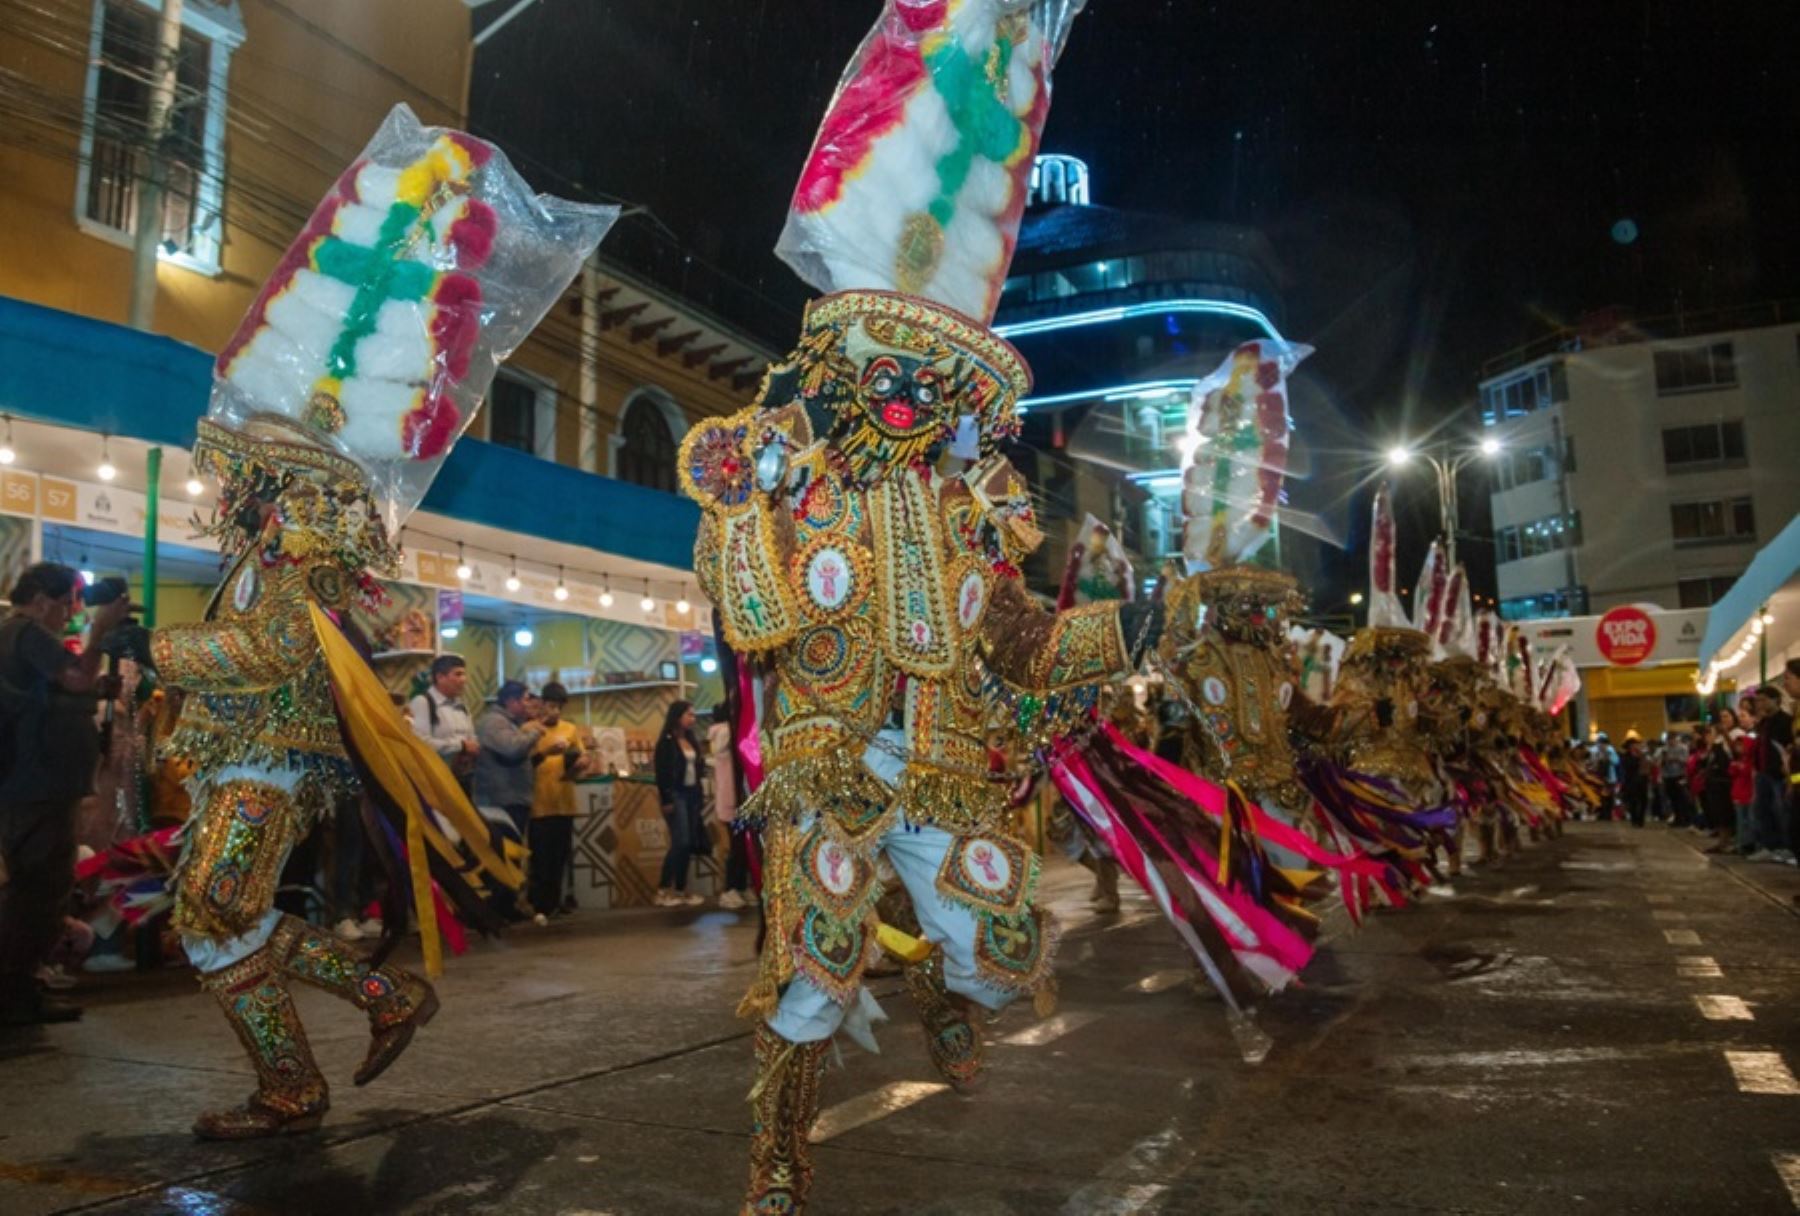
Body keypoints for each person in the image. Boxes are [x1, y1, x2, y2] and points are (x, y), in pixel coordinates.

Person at [0, 563, 129, 1025]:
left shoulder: (18, 639)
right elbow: (73, 677)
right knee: (38, 892)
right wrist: (99, 633)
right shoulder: (25, 633)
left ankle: (23, 988)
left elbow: (62, 692)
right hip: (36, 787)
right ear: (40, 600)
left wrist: (94, 690)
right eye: (67, 602)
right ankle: (14, 995)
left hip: (37, 785)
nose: (71, 613)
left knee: (42, 891)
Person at [476, 680, 546, 916]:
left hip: (513, 797)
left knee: (512, 854)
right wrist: (535, 732)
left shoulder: (510, 723)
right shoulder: (494, 722)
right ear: (512, 701)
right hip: (500, 800)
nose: (529, 705)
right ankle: (497, 908)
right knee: (502, 854)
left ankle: (508, 904)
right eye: (526, 699)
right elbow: (511, 749)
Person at [528, 683, 583, 925]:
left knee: (560, 855)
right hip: (538, 801)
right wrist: (547, 750)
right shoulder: (531, 730)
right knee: (541, 856)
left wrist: (581, 763)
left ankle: (556, 901)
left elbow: (580, 755)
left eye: (559, 707)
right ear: (541, 704)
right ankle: (539, 905)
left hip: (564, 799)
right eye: (551, 706)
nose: (555, 712)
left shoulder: (570, 729)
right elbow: (524, 762)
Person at [653, 700, 705, 908]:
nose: (693, 719)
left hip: (692, 793)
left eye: (693, 715)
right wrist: (666, 798)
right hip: (676, 794)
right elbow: (662, 773)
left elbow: (698, 767)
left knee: (689, 841)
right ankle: (663, 888)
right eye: (689, 715)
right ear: (677, 716)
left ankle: (681, 889)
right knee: (680, 841)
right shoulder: (666, 742)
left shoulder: (691, 739)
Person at [410, 655, 479, 796]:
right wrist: (461, 746)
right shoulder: (423, 702)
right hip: (435, 781)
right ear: (440, 677)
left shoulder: (462, 706)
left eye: (464, 674)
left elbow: (471, 738)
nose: (464, 680)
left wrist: (472, 748)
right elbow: (419, 742)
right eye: (458, 674)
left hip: (463, 778)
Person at [709, 705, 753, 910]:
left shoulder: (727, 732)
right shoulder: (724, 733)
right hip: (730, 799)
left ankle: (741, 887)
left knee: (745, 845)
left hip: (740, 799)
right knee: (737, 846)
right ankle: (730, 889)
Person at [1748, 684, 1794, 863]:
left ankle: (1786, 847)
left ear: (1776, 700)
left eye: (1763, 700)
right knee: (1762, 809)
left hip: (1779, 774)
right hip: (1763, 772)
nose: (1759, 704)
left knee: (1781, 810)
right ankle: (1770, 845)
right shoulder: (1763, 723)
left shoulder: (1785, 721)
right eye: (1757, 700)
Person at [1619, 736, 1650, 828]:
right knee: (1633, 801)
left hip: (1643, 780)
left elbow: (1648, 764)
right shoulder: (1626, 756)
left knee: (1643, 800)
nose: (1635, 746)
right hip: (1631, 781)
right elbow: (1628, 766)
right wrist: (1636, 758)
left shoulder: (1642, 754)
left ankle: (1641, 819)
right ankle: (1634, 819)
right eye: (1633, 745)